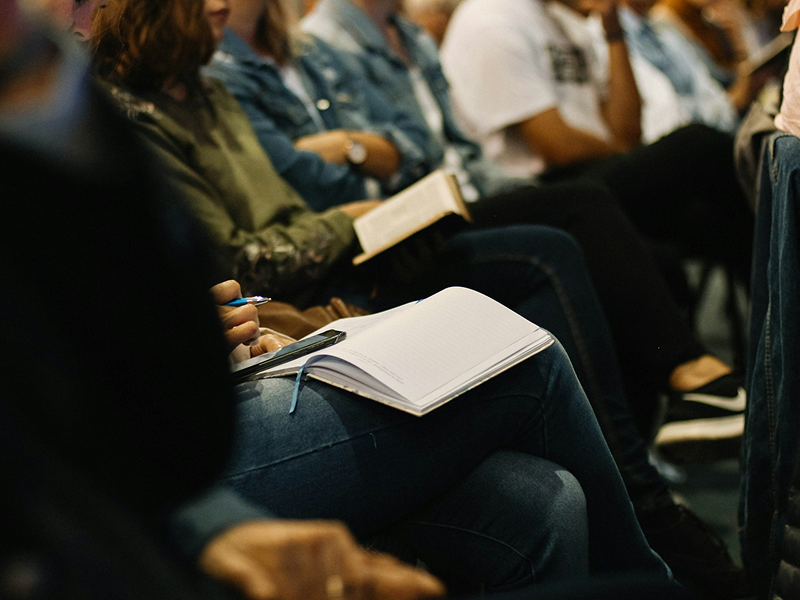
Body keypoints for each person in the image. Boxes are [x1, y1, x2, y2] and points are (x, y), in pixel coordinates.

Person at [74, 0, 685, 593]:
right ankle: (657, 553)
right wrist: (350, 216)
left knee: (550, 501)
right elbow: (239, 258)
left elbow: (373, 161)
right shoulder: (117, 114)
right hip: (166, 434)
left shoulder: (208, 91)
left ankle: (651, 509)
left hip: (242, 357)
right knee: (529, 352)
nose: (223, 4)